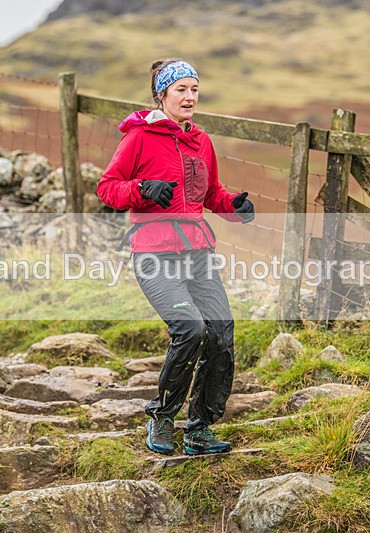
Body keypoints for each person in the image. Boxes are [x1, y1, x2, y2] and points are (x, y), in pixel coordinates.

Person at [96, 59, 255, 455]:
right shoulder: (139, 138)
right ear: (162, 95)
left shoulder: (202, 141)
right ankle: (162, 417)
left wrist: (234, 205)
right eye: (180, 89)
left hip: (197, 251)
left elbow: (211, 193)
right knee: (191, 329)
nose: (189, 97)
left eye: (194, 89)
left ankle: (199, 429)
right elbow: (107, 188)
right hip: (153, 252)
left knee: (220, 331)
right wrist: (143, 189)